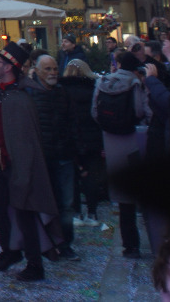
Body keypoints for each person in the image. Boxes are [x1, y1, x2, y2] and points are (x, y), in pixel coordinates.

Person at [0, 42, 61, 282]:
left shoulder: (21, 99)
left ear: (8, 67)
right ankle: (10, 251)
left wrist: (24, 171)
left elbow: (26, 140)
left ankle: (34, 263)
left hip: (18, 166)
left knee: (25, 212)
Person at [95, 50, 151, 258]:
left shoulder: (103, 82)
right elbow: (141, 111)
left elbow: (95, 111)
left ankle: (130, 245)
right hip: (131, 137)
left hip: (110, 139)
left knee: (122, 194)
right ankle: (146, 238)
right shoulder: (136, 84)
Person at [25, 54, 80, 260]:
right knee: (43, 203)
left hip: (63, 155)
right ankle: (46, 243)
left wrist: (77, 154)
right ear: (37, 71)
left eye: (55, 69)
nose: (53, 73)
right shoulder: (30, 94)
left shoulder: (62, 93)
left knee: (66, 204)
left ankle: (65, 244)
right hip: (42, 158)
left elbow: (73, 123)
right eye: (48, 69)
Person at [60, 57, 108, 230]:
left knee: (73, 177)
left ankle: (77, 212)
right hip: (92, 138)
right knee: (91, 177)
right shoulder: (94, 88)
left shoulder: (62, 90)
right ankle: (92, 213)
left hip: (71, 139)